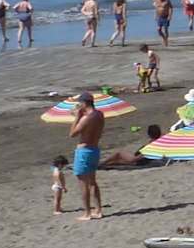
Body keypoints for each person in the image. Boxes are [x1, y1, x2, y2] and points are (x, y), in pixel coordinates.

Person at [67, 91, 107, 219]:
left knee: (83, 182)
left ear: (84, 103)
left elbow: (72, 134)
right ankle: (98, 210)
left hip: (84, 151)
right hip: (94, 149)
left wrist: (77, 117)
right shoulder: (99, 114)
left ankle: (87, 213)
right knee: (92, 182)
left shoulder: (86, 118)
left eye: (80, 103)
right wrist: (80, 114)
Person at [97, 125, 167, 169]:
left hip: (136, 161)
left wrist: (134, 159)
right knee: (117, 160)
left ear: (149, 134)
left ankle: (102, 164)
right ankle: (104, 164)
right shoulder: (160, 140)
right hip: (139, 159)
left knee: (118, 154)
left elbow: (137, 158)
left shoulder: (150, 146)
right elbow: (164, 134)